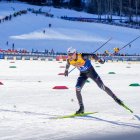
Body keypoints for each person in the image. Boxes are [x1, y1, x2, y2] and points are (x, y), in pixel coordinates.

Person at [64, 47, 124, 114]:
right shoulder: (69, 60)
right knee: (77, 88)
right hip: (83, 74)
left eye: (71, 54)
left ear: (75, 53)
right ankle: (81, 108)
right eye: (68, 54)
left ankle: (116, 99)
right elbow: (67, 64)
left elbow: (93, 56)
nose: (69, 56)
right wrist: (66, 70)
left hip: (91, 72)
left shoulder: (82, 56)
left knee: (102, 86)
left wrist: (100, 60)